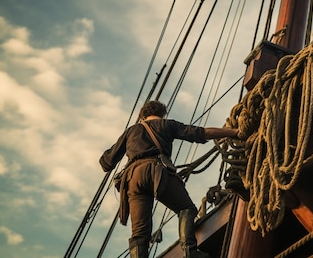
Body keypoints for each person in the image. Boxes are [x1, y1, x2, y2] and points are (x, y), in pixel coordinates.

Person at [100, 100, 241, 258]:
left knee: (140, 233)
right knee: (186, 208)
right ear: (162, 114)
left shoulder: (131, 131)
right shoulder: (167, 125)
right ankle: (190, 251)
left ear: (142, 117)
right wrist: (234, 132)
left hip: (132, 179)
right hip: (157, 172)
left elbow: (107, 162)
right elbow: (202, 133)